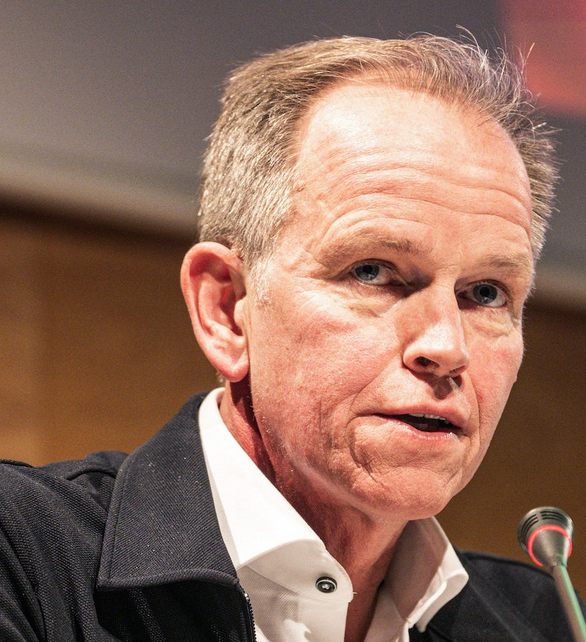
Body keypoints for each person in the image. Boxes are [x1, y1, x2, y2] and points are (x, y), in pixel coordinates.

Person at [0, 34, 574, 642]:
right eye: (372, 272)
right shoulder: (23, 560)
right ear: (227, 309)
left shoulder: (548, 623)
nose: (447, 347)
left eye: (486, 293)